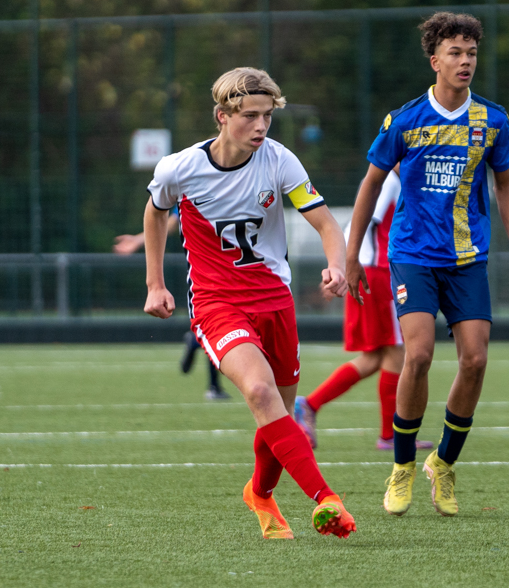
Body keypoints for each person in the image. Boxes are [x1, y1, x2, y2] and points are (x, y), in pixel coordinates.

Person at [143, 67, 356, 539]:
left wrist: (336, 265)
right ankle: (327, 499)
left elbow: (325, 224)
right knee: (260, 394)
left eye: (267, 117)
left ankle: (259, 493)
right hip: (218, 303)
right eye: (250, 116)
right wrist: (155, 283)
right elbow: (155, 213)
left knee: (276, 416)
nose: (261, 126)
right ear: (222, 116)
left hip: (275, 303)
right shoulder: (180, 168)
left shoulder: (281, 162)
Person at [346, 12, 509, 518]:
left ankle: (443, 464)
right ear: (435, 61)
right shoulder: (404, 120)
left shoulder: (492, 121)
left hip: (468, 258)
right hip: (411, 256)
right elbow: (370, 185)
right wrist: (351, 254)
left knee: (475, 359)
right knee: (420, 355)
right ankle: (403, 467)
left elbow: (506, 186)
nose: (465, 61)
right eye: (455, 52)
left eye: (471, 53)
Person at [294, 167, 434, 452]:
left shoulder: (388, 179)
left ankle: (309, 404)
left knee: (375, 356)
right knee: (397, 350)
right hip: (378, 273)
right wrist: (347, 266)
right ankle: (389, 435)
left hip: (374, 270)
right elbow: (363, 221)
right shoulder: (389, 179)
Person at [114, 211, 231, 400]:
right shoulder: (194, 184)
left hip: (236, 268)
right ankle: (213, 385)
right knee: (218, 323)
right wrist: (139, 240)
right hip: (209, 269)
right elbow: (168, 221)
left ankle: (196, 345)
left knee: (219, 325)